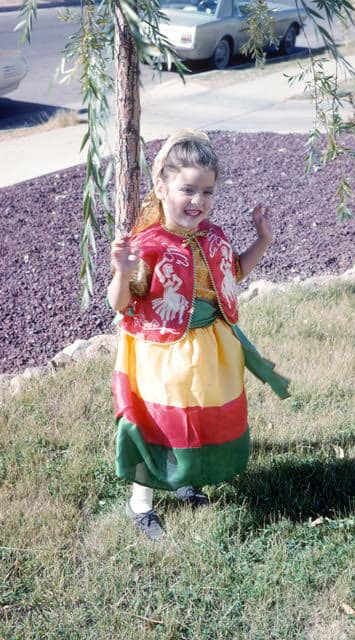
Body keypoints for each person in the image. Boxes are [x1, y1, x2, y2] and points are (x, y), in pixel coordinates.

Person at [108, 129, 289, 540]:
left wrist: (263, 239)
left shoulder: (214, 235)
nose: (198, 201)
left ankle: (186, 478)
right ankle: (141, 501)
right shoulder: (148, 244)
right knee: (159, 421)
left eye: (207, 192)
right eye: (188, 189)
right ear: (162, 187)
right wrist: (121, 270)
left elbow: (234, 272)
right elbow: (120, 303)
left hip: (210, 351)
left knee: (199, 418)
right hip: (162, 352)